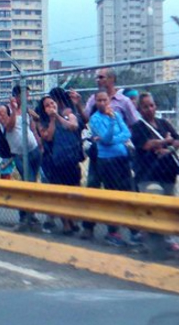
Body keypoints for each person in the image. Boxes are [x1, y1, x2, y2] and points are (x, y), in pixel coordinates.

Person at [69, 67, 140, 240]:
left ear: (111, 79)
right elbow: (88, 121)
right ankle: (89, 226)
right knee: (93, 186)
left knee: (126, 190)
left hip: (120, 155)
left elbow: (133, 124)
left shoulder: (123, 101)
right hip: (99, 153)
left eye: (101, 77)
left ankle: (134, 229)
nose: (97, 80)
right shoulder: (94, 99)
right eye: (97, 77)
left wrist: (116, 139)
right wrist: (78, 104)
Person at [131, 93, 179, 254]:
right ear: (139, 109)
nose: (149, 109)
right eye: (145, 106)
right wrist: (165, 141)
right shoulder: (138, 127)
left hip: (167, 172)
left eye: (152, 105)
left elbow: (178, 140)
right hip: (147, 174)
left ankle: (167, 239)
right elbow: (146, 145)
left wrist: (169, 149)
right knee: (153, 205)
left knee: (167, 207)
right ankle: (150, 240)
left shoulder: (164, 124)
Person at [89, 90, 133, 247]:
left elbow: (127, 133)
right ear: (95, 102)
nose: (102, 103)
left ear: (109, 101)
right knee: (112, 195)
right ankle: (112, 231)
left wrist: (114, 138)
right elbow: (105, 140)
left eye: (105, 100)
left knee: (128, 193)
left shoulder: (116, 114)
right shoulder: (95, 119)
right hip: (106, 161)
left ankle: (134, 230)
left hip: (122, 158)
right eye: (99, 100)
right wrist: (113, 126)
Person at [36, 95, 83, 235]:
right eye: (47, 105)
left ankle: (72, 220)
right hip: (54, 162)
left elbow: (73, 126)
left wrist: (57, 116)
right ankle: (66, 224)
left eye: (52, 103)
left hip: (71, 159)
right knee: (61, 194)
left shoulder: (68, 115)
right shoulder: (42, 122)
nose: (51, 106)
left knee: (73, 192)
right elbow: (48, 137)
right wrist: (52, 119)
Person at [0, 85, 42, 231]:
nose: (27, 98)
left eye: (28, 95)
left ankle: (31, 216)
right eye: (25, 95)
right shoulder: (5, 109)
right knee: (27, 183)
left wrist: (39, 144)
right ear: (16, 95)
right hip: (19, 154)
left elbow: (32, 129)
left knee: (33, 184)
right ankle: (24, 217)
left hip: (33, 150)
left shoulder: (26, 111)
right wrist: (14, 109)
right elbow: (8, 128)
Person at [0, 105, 15, 180]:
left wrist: (7, 163)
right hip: (1, 159)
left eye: (2, 112)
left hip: (11, 161)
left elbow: (16, 149)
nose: (0, 115)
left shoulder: (12, 127)